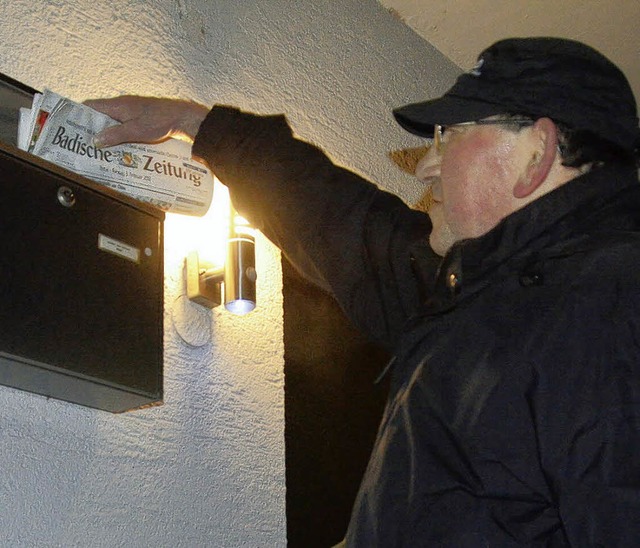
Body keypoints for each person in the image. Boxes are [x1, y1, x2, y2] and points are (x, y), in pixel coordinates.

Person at [86, 37, 640, 546]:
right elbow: (347, 225)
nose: (426, 165)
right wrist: (198, 125)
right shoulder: (477, 298)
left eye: (449, 137)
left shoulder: (611, 304)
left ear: (538, 152)